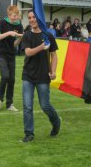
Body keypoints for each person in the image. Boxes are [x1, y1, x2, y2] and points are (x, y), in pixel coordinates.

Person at [20, 10, 61, 143]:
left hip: (43, 76)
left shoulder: (48, 35)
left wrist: (53, 71)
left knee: (45, 105)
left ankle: (56, 122)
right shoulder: (27, 36)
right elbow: (28, 52)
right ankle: (29, 134)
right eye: (29, 18)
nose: (32, 20)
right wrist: (42, 46)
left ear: (39, 18)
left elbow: (54, 55)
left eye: (34, 17)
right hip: (28, 75)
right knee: (27, 106)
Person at [0, 5, 23, 111]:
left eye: (16, 15)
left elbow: (14, 44)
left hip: (11, 55)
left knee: (12, 79)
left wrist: (19, 39)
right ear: (9, 15)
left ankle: (10, 104)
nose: (15, 17)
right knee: (5, 76)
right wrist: (9, 33)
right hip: (0, 53)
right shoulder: (2, 23)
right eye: (13, 15)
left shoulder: (19, 25)